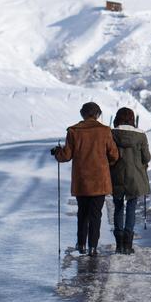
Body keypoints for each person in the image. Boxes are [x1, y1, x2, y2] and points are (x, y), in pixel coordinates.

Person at [51, 102, 119, 256]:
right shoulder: (105, 131)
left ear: (82, 114)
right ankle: (93, 247)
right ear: (97, 114)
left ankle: (81, 244)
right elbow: (114, 155)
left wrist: (57, 152)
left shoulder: (74, 131)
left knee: (82, 213)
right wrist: (108, 163)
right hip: (99, 181)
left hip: (82, 181)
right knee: (96, 214)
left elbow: (66, 156)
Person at [110, 107, 151, 255]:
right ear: (132, 119)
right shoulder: (141, 135)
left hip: (116, 175)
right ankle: (128, 245)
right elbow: (146, 158)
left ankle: (119, 244)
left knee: (118, 207)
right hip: (135, 177)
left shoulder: (112, 133)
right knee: (131, 208)